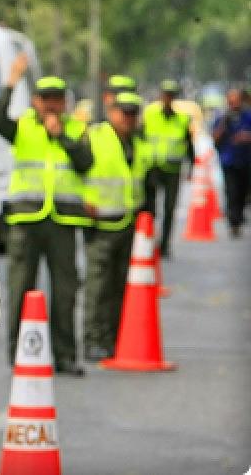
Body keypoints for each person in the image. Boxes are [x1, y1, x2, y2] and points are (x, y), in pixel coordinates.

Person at [0, 54, 93, 376]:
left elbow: (85, 163)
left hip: (63, 221)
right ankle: (20, 353)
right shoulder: (22, 126)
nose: (51, 105)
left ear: (65, 102)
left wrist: (60, 134)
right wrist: (11, 80)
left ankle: (64, 355)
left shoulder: (76, 128)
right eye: (45, 99)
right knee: (21, 288)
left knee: (65, 291)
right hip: (26, 221)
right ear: (35, 101)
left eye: (57, 100)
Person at [83, 92, 150, 361]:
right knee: (98, 287)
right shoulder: (96, 136)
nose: (129, 118)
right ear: (112, 112)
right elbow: (76, 170)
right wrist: (84, 203)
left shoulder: (137, 142)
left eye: (134, 113)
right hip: (101, 224)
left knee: (120, 286)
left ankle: (113, 339)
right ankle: (93, 339)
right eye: (124, 112)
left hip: (128, 223)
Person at [140, 79, 194, 257]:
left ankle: (164, 245)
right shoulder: (150, 115)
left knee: (170, 208)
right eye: (166, 95)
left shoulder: (182, 119)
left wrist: (191, 167)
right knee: (150, 208)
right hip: (152, 168)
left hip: (173, 170)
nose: (168, 99)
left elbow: (188, 145)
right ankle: (148, 241)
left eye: (171, 96)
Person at [211, 87, 251, 238]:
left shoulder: (247, 116)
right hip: (228, 160)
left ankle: (239, 216)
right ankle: (233, 221)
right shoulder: (222, 117)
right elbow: (215, 138)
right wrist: (223, 125)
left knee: (243, 191)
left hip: (246, 160)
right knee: (232, 190)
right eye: (231, 100)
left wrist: (245, 137)